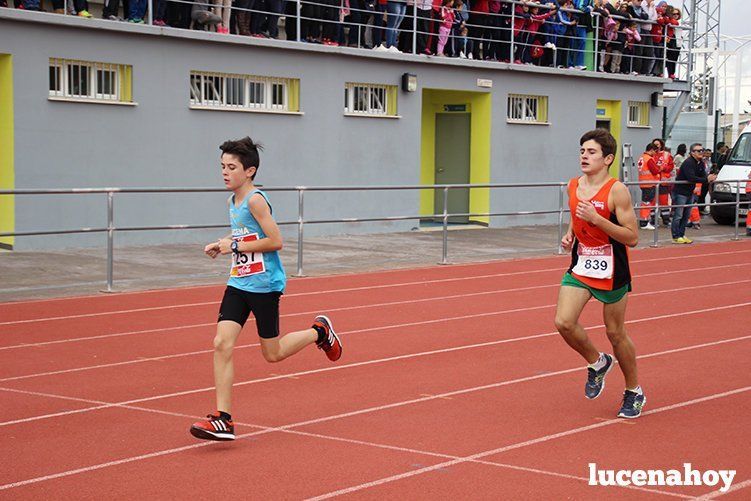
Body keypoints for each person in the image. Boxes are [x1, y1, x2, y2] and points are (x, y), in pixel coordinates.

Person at [190, 137, 342, 441]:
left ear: (250, 171)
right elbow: (246, 237)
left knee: (272, 354)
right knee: (222, 342)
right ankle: (224, 419)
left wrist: (231, 245)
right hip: (239, 281)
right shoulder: (232, 201)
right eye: (222, 166)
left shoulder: (256, 200)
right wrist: (223, 246)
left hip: (265, 286)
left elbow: (275, 241)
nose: (225, 172)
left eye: (232, 167)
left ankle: (319, 332)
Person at [554, 128, 645, 419]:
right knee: (564, 322)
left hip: (613, 268)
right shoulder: (573, 185)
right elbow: (577, 215)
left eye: (591, 152)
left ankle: (634, 391)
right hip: (582, 264)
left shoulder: (617, 190)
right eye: (582, 150)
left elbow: (632, 237)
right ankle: (597, 362)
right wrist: (571, 234)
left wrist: (597, 219)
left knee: (615, 333)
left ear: (607, 159)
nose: (584, 156)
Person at [671, 143, 717, 244]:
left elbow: (702, 175)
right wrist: (706, 179)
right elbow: (691, 177)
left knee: (686, 215)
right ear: (692, 152)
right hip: (680, 192)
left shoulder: (700, 163)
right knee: (678, 215)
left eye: (702, 150)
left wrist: (709, 178)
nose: (701, 152)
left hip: (689, 192)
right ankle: (675, 236)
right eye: (698, 151)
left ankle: (682, 234)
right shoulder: (688, 162)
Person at [637, 142, 659, 229]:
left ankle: (644, 221)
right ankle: (644, 222)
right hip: (649, 183)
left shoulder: (642, 157)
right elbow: (655, 170)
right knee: (646, 203)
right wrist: (660, 168)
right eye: (655, 151)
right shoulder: (649, 159)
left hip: (643, 183)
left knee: (645, 203)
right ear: (652, 150)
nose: (655, 153)